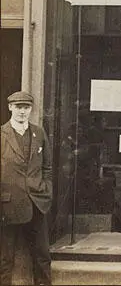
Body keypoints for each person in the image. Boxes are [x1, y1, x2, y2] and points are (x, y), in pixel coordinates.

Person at [1, 91, 53, 285]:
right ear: (10, 108)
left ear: (31, 109)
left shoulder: (38, 133)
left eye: (26, 108)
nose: (22, 112)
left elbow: (47, 166)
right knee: (5, 258)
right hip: (9, 204)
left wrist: (46, 189)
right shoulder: (2, 134)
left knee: (42, 255)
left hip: (37, 202)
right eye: (18, 107)